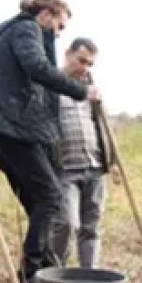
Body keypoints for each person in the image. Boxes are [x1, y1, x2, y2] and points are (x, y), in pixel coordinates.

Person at [0, 0, 90, 283]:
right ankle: (32, 273)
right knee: (50, 197)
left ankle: (49, 267)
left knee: (35, 199)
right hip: (10, 127)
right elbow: (37, 67)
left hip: (4, 129)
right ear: (45, 15)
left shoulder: (19, 33)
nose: (59, 33)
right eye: (59, 25)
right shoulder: (26, 29)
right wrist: (81, 91)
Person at [50, 37, 114, 268]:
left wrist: (112, 161)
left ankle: (90, 276)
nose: (85, 68)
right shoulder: (52, 86)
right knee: (67, 224)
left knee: (91, 226)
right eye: (82, 61)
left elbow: (104, 128)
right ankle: (58, 274)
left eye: (90, 64)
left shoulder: (92, 91)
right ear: (68, 54)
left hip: (94, 167)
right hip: (65, 169)